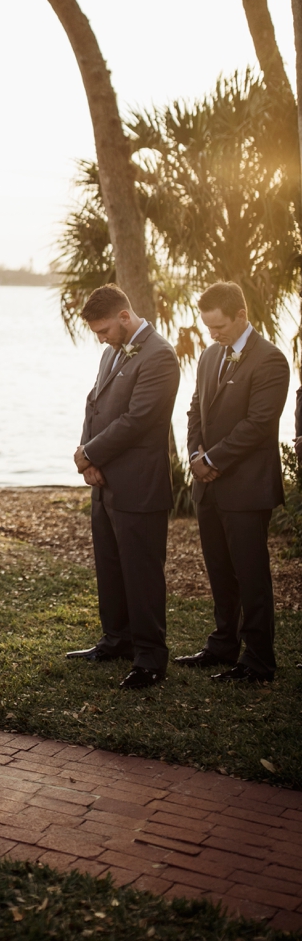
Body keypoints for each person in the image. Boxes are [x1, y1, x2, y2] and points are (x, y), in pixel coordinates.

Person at [71, 285, 180, 689]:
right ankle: (116, 639)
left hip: (139, 484)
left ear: (124, 316)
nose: (100, 338)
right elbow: (93, 403)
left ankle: (150, 656)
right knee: (111, 566)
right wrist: (87, 455)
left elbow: (139, 420)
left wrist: (91, 454)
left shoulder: (160, 356)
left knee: (142, 572)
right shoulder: (110, 353)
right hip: (106, 480)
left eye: (103, 330)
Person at [179, 281, 289, 683]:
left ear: (241, 315)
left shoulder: (271, 360)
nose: (213, 335)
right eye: (208, 328)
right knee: (220, 571)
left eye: (219, 327)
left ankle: (259, 660)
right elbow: (195, 410)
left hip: (246, 489)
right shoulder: (209, 357)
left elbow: (259, 424)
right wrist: (194, 455)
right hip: (208, 487)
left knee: (251, 575)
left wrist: (213, 458)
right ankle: (223, 645)